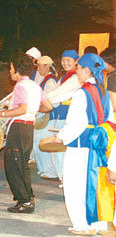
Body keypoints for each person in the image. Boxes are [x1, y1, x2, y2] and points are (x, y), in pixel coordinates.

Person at [51, 53, 113, 235]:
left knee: (75, 184)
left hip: (81, 144)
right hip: (99, 144)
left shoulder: (82, 92)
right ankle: (98, 224)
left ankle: (82, 225)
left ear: (87, 70)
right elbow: (109, 119)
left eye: (78, 68)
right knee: (96, 182)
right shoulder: (104, 92)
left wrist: (61, 137)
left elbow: (75, 124)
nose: (76, 71)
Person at [0, 53, 52, 213]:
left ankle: (24, 201)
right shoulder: (35, 86)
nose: (10, 71)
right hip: (28, 128)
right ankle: (27, 198)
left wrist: (0, 114)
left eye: (11, 68)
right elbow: (48, 106)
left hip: (18, 128)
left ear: (18, 69)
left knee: (13, 165)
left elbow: (22, 108)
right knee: (22, 165)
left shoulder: (20, 86)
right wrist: (32, 110)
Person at [45, 50, 81, 188]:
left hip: (66, 116)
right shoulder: (65, 76)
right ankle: (63, 178)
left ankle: (67, 179)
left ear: (76, 61)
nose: (65, 63)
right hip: (59, 114)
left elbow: (58, 94)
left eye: (69, 60)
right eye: (63, 60)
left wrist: (41, 99)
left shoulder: (75, 77)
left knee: (62, 149)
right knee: (57, 149)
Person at [31, 56, 61, 180]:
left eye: (39, 66)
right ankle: (44, 169)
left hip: (47, 118)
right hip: (41, 115)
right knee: (37, 143)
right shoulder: (44, 80)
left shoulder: (50, 81)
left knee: (43, 144)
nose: (38, 68)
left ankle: (50, 171)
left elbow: (52, 102)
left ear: (46, 66)